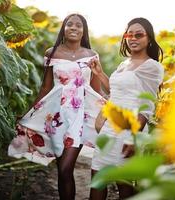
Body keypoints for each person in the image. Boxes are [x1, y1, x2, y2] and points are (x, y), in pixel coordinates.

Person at [8, 13, 106, 200]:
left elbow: (96, 90)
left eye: (78, 25)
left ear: (84, 31)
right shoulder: (51, 53)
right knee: (63, 172)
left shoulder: (91, 56)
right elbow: (45, 87)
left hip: (80, 117)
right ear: (64, 28)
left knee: (66, 167)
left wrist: (109, 111)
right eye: (70, 24)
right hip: (56, 117)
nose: (74, 28)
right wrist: (30, 114)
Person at [88, 17, 164, 199]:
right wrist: (99, 73)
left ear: (149, 39)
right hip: (110, 127)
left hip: (130, 129)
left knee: (125, 184)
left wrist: (132, 137)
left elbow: (147, 107)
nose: (133, 38)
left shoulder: (152, 67)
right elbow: (116, 92)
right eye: (130, 34)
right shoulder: (124, 64)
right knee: (97, 177)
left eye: (139, 35)